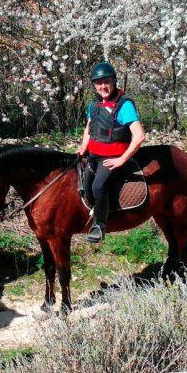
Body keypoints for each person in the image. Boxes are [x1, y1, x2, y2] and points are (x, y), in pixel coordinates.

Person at [76, 62, 146, 244]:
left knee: (98, 186)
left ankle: (100, 225)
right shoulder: (94, 104)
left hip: (112, 158)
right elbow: (89, 129)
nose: (103, 87)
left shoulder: (125, 106)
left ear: (114, 81)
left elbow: (139, 136)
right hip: (93, 155)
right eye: (98, 83)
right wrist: (83, 148)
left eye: (106, 82)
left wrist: (122, 159)